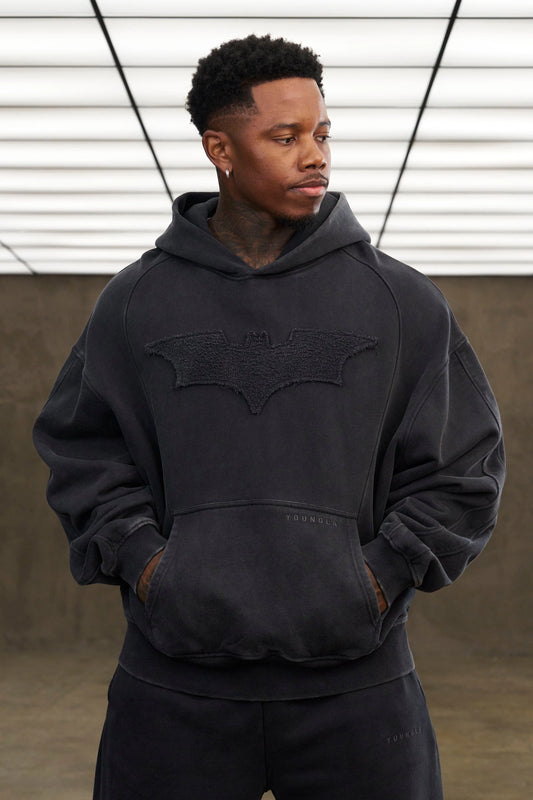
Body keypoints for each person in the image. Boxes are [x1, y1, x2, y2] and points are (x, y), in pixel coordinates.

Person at [33, 34, 505, 800]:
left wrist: (375, 579)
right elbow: (82, 453)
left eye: (321, 133)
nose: (314, 156)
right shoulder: (135, 301)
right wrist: (150, 567)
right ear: (219, 148)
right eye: (284, 137)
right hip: (173, 688)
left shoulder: (401, 301)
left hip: (358, 689)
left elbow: (464, 467)